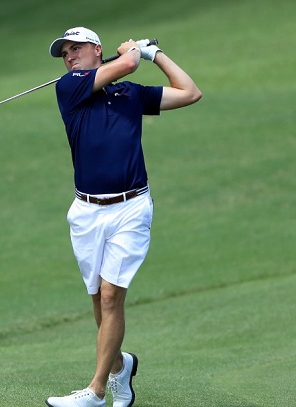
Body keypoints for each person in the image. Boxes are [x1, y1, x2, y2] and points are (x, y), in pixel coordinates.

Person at [45, 27, 202, 407]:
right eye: (64, 52)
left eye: (76, 48)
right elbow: (127, 62)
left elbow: (189, 92)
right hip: (86, 213)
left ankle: (96, 391)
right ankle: (120, 365)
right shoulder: (70, 87)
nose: (69, 56)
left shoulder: (129, 94)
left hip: (131, 207)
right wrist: (134, 52)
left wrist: (156, 55)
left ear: (96, 50)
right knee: (100, 300)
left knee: (113, 296)